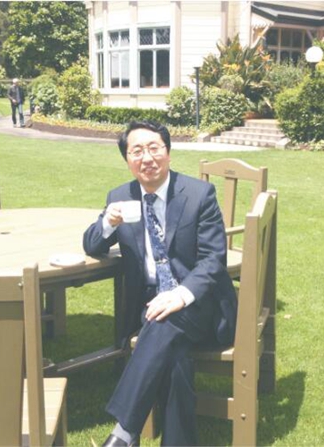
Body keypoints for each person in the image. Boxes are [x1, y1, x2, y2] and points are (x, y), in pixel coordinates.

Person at [83, 120, 237, 446]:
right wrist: (108, 222)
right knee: (174, 353)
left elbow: (213, 260)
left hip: (201, 302)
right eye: (137, 151)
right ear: (127, 159)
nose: (147, 158)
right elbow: (92, 244)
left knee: (164, 321)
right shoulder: (120, 197)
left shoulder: (198, 194)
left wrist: (181, 295)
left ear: (168, 152)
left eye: (154, 148)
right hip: (152, 300)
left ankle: (124, 432)